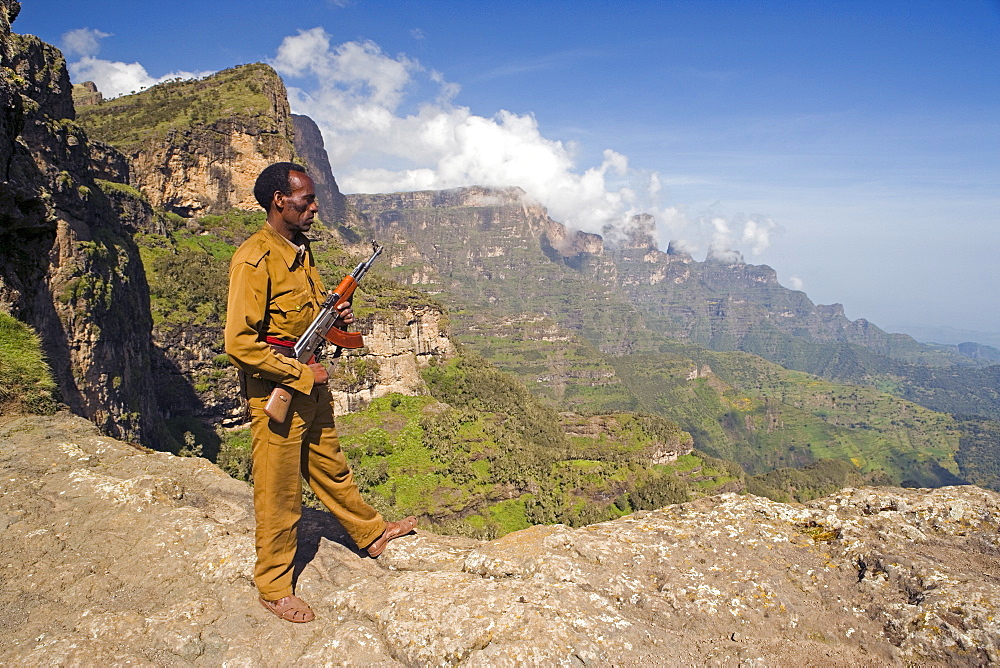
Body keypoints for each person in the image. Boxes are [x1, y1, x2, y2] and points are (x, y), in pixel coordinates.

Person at [224, 162, 416, 623]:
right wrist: (304, 377)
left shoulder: (299, 250)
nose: (314, 208)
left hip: (309, 381)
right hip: (280, 390)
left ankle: (369, 533)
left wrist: (337, 321)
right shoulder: (254, 259)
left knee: (330, 465)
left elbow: (303, 322)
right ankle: (272, 586)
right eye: (305, 200)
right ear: (277, 200)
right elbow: (239, 343)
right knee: (279, 492)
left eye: (313, 200)